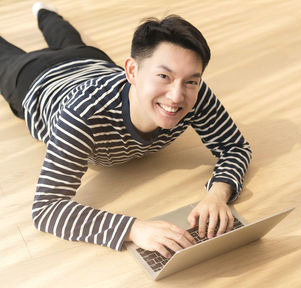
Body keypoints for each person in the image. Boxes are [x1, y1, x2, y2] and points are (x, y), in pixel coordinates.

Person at [0, 2, 252, 258]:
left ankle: (43, 11)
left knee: (65, 35)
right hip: (35, 77)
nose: (177, 96)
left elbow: (235, 146)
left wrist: (218, 194)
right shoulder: (82, 116)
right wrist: (134, 229)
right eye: (164, 76)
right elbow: (47, 208)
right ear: (132, 71)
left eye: (191, 81)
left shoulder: (194, 94)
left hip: (91, 61)